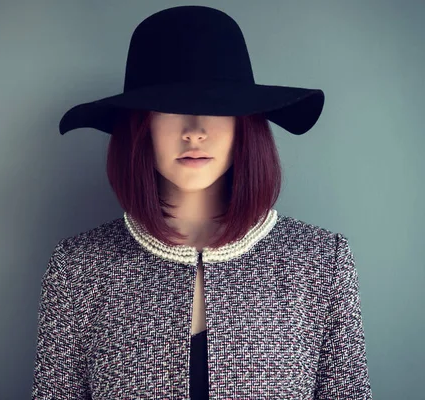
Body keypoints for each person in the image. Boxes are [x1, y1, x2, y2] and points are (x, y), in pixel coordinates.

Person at [32, 5, 372, 399]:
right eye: (170, 108)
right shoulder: (79, 269)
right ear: (140, 126)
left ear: (244, 123)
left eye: (217, 107)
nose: (194, 131)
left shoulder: (320, 262)